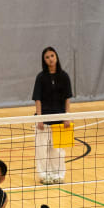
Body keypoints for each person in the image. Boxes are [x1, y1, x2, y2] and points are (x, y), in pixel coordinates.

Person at [32, 46, 73, 185]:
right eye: (47, 57)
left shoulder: (64, 76)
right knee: (42, 150)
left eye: (52, 56)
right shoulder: (41, 77)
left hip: (59, 121)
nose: (50, 59)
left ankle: (58, 175)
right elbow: (37, 99)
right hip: (44, 121)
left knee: (58, 151)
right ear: (44, 60)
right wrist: (40, 118)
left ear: (56, 57)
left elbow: (67, 98)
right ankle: (44, 175)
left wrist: (66, 116)